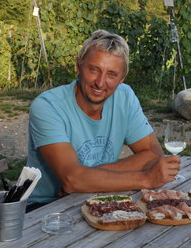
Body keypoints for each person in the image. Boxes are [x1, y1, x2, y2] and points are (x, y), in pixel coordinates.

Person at [26, 29, 180, 210]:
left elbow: (153, 154)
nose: (100, 82)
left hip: (100, 197)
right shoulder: (47, 106)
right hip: (46, 207)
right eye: (94, 69)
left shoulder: (125, 96)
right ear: (78, 66)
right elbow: (71, 179)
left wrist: (86, 180)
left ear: (122, 78)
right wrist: (147, 178)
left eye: (111, 74)